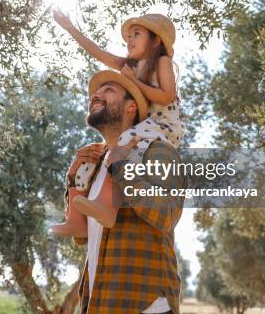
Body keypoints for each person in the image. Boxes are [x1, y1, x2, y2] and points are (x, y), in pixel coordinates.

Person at [51, 11, 185, 236]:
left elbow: (165, 96)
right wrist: (71, 29)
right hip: (144, 126)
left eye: (136, 34)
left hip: (164, 126)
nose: (129, 40)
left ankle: (107, 209)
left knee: (121, 149)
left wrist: (133, 82)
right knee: (91, 162)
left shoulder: (162, 61)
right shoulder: (129, 65)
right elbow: (98, 53)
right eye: (128, 36)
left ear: (156, 40)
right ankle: (77, 221)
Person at [71, 70, 186, 314]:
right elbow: (80, 237)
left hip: (146, 305)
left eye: (108, 90)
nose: (96, 95)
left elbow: (166, 215)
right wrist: (73, 180)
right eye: (95, 92)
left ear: (130, 106)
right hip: (100, 303)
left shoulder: (158, 152)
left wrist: (120, 168)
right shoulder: (96, 165)